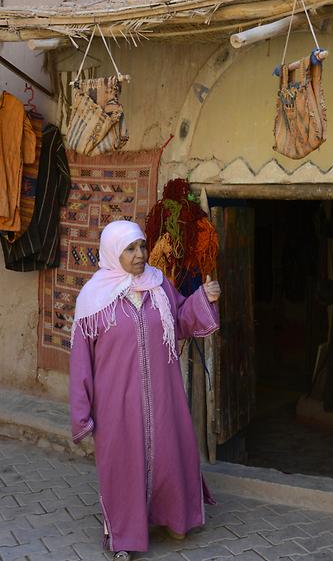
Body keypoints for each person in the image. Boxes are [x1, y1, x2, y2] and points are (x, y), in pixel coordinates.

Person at [69, 220, 220, 560]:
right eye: (130, 249)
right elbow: (80, 362)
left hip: (163, 397)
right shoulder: (93, 299)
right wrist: (82, 414)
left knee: (168, 455)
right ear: (112, 253)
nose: (139, 255)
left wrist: (203, 298)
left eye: (141, 247)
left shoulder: (158, 284)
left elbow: (181, 318)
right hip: (116, 405)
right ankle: (124, 539)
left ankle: (173, 518)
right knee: (123, 468)